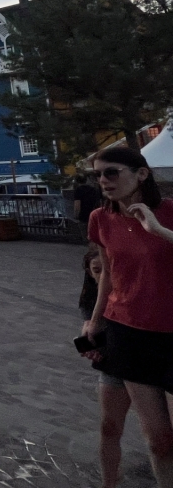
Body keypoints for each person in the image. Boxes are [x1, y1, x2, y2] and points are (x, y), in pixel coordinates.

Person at [82, 146, 173, 487]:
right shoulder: (100, 218)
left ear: (142, 174)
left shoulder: (169, 211)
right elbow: (108, 273)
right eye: (98, 175)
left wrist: (158, 229)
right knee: (159, 440)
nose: (103, 180)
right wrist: (95, 322)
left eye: (111, 172)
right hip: (130, 333)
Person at [80, 244, 132, 488]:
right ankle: (109, 481)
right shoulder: (91, 297)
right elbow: (89, 326)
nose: (102, 275)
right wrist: (91, 346)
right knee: (109, 425)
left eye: (106, 269)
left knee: (159, 435)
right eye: (96, 270)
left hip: (146, 359)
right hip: (114, 363)